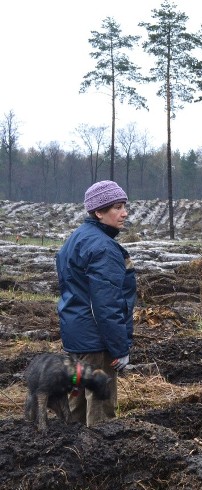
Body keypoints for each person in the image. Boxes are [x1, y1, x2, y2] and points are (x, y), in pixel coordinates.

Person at [55, 180, 136, 427]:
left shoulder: (75, 239)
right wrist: (120, 347)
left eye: (124, 206)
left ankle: (70, 457)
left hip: (77, 338)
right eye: (117, 207)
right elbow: (106, 305)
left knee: (76, 406)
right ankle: (98, 461)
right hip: (97, 344)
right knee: (101, 415)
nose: (124, 213)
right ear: (98, 212)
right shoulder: (103, 248)